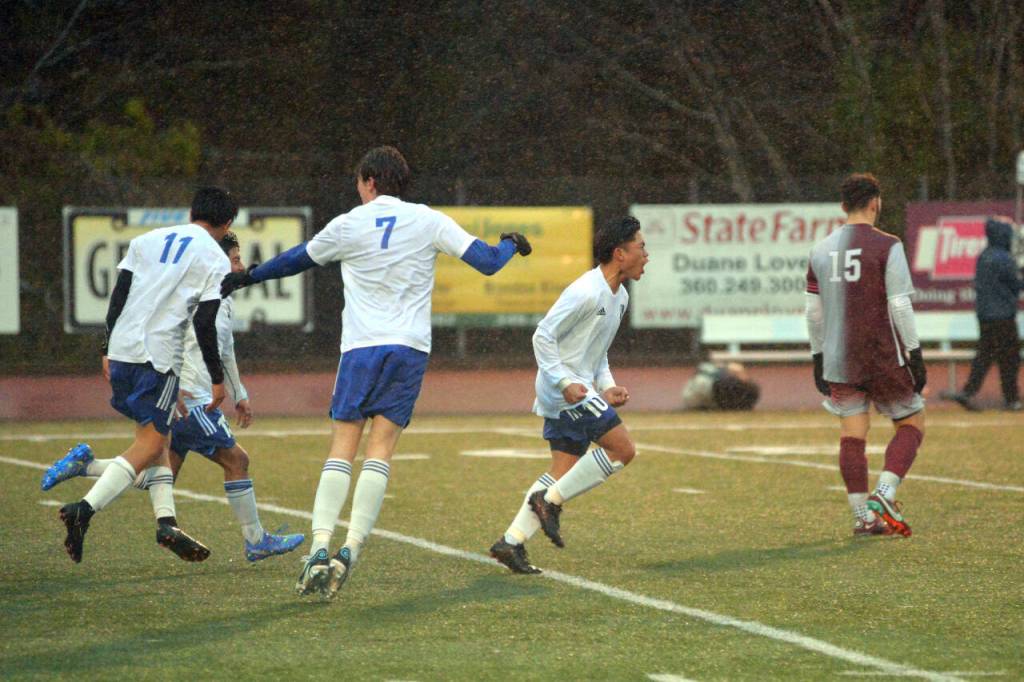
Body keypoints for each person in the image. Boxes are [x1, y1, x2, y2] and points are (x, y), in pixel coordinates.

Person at [220, 145, 532, 598]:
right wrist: (511, 243)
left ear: (369, 181)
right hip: (408, 350)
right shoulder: (427, 219)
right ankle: (351, 549)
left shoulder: (350, 222)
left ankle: (320, 545)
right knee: (380, 450)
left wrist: (249, 276)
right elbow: (486, 262)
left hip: (360, 350)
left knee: (341, 448)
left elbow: (299, 259)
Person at [42, 232, 305, 562]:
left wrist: (240, 393)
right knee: (236, 460)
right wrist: (175, 384)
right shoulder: (201, 296)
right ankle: (255, 540)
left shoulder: (215, 296)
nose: (238, 264)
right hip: (191, 399)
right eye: (234, 258)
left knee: (158, 472)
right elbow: (180, 341)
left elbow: (224, 350)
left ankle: (88, 467)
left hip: (182, 394)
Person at [53, 187, 235, 563]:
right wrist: (218, 378)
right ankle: (83, 509)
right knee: (152, 446)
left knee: (156, 441)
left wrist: (106, 346)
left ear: (191, 212)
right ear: (227, 223)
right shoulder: (214, 258)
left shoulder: (147, 239)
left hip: (123, 350)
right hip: (158, 357)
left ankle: (166, 521)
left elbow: (118, 294)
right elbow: (204, 322)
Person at [488, 216, 648, 574]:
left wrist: (606, 385)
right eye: (641, 247)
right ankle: (549, 502)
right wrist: (564, 383)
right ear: (620, 253)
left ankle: (510, 543)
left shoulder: (618, 297)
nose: (646, 255)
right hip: (564, 390)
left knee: (563, 469)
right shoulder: (586, 291)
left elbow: (597, 351)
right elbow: (542, 337)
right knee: (623, 449)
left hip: (581, 388)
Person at [806, 173, 925, 538]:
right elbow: (900, 304)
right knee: (912, 424)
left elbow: (814, 312)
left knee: (852, 433)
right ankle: (885, 494)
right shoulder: (888, 245)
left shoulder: (821, 250)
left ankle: (863, 518)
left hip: (840, 356)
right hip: (882, 354)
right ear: (876, 202)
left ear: (843, 207)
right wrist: (915, 353)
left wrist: (817, 357)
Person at [944, 217, 1022, 411]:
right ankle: (1012, 399)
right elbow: (1016, 285)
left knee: (985, 355)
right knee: (1009, 358)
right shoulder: (1004, 258)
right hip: (1003, 316)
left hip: (985, 315)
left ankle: (968, 391)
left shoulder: (984, 256)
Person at [680, 361, 760, 411]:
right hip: (708, 392)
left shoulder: (705, 378)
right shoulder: (708, 379)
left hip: (705, 392)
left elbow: (702, 368)